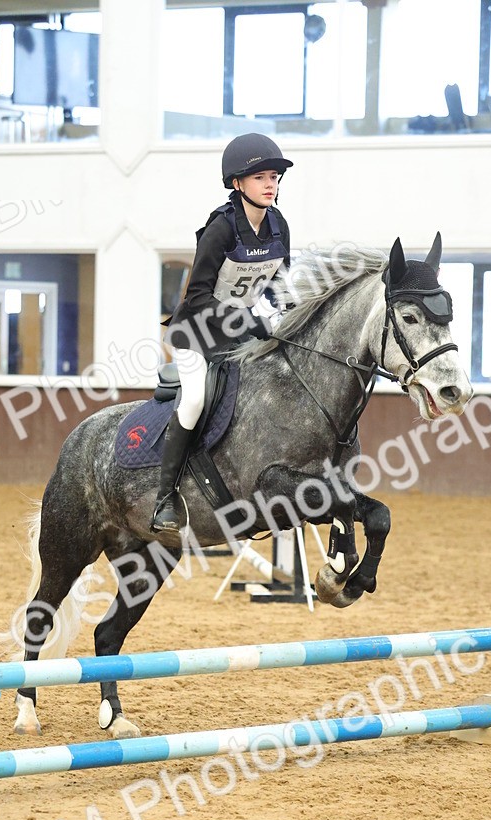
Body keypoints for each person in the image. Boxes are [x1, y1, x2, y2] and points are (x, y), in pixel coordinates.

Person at [152, 133, 293, 533]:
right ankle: (165, 498)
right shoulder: (221, 229)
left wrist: (289, 318)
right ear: (237, 184)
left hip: (237, 333)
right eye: (260, 177)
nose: (270, 184)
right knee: (195, 400)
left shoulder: (278, 225)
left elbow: (281, 287)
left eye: (274, 177)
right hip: (196, 333)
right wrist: (246, 319)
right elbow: (195, 296)